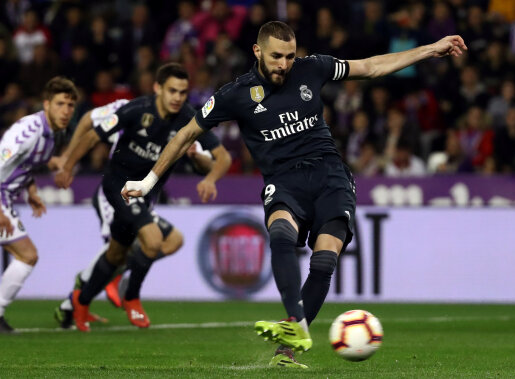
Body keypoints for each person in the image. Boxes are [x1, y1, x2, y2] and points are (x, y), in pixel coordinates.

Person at [121, 21, 466, 368]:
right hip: (284, 180)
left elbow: (371, 67)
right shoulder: (235, 94)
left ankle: (287, 348)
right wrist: (147, 183)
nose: (284, 64)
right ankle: (297, 322)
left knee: (325, 257)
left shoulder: (312, 67)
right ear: (257, 52)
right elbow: (184, 135)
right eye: (275, 56)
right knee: (281, 232)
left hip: (330, 175)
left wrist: (429, 50)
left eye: (289, 56)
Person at [54, 63, 230, 332]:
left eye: (183, 92)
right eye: (172, 90)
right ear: (157, 88)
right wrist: (68, 165)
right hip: (119, 188)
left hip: (145, 196)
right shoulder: (136, 109)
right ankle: (132, 296)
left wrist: (210, 178)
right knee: (153, 239)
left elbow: (223, 158)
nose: (177, 97)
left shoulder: (188, 118)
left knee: (116, 253)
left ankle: (81, 300)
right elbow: (92, 135)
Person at [0, 77, 78, 333]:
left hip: (8, 196)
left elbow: (26, 164)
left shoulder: (54, 132)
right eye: (59, 104)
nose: (65, 111)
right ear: (46, 104)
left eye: (70, 105)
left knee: (24, 255)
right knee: (27, 255)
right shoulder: (28, 132)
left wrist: (31, 190)